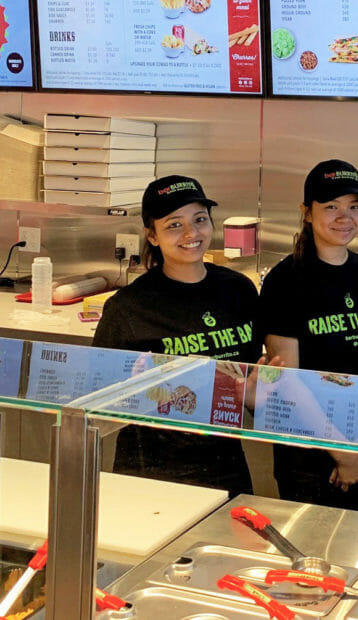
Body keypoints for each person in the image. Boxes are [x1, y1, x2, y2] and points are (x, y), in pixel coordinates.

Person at [94, 175, 264, 496]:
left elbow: (253, 381)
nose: (191, 233)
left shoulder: (238, 291)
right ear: (152, 235)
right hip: (151, 473)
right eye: (174, 225)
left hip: (225, 465)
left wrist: (255, 392)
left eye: (199, 220)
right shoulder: (128, 308)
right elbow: (97, 409)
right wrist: (138, 390)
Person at [259, 160, 358, 511]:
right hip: (306, 456)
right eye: (331, 207)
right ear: (307, 213)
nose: (344, 217)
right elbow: (288, 380)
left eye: (354, 207)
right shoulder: (285, 281)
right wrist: (342, 452)